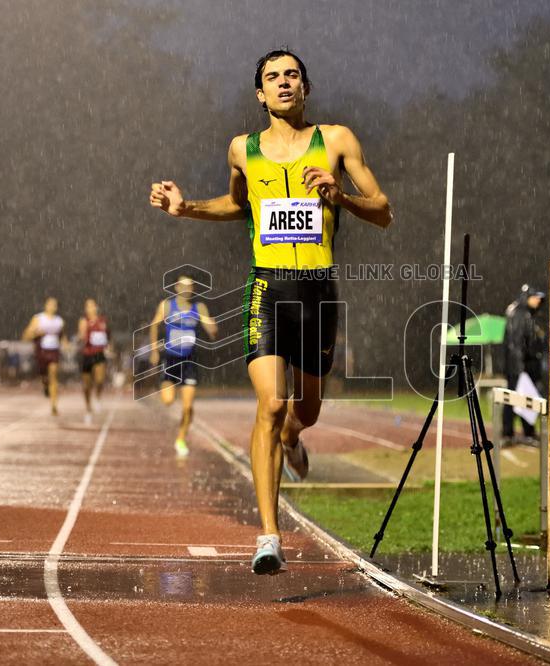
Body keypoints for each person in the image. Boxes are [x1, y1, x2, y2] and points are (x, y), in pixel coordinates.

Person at [149, 50, 392, 574]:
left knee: (304, 414)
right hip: (267, 289)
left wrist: (340, 196)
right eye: (272, 78)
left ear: (306, 86)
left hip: (317, 292)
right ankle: (268, 536)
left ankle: (293, 439)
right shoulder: (243, 149)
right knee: (270, 404)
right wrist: (186, 207)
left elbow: (384, 211)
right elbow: (238, 205)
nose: (283, 83)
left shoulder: (339, 140)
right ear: (259, 94)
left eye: (292, 75)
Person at [148, 276, 218, 456]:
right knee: (168, 401)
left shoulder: (198, 307)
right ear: (177, 287)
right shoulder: (167, 305)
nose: (187, 289)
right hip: (170, 359)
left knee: (187, 406)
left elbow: (211, 329)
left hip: (189, 361)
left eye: (190, 286)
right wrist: (155, 350)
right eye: (183, 285)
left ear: (193, 288)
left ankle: (181, 438)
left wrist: (212, 328)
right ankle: (177, 396)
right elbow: (154, 326)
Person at [502, 284, 547, 443]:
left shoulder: (524, 313)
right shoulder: (520, 314)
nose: (538, 301)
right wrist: (520, 369)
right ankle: (513, 434)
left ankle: (517, 433)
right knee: (516, 399)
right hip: (520, 366)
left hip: (521, 365)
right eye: (535, 297)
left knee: (520, 398)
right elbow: (516, 344)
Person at [22, 297, 65, 416]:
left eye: (55, 305)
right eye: (50, 304)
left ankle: (54, 406)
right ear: (46, 306)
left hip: (54, 352)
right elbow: (25, 336)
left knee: (54, 375)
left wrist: (66, 345)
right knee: (45, 377)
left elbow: (62, 337)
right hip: (41, 352)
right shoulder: (38, 319)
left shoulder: (59, 321)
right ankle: (45, 386)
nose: (52, 307)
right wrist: (36, 332)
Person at [78, 298, 109, 424]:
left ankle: (97, 397)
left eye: (92, 306)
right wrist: (83, 334)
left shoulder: (102, 321)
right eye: (88, 306)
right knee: (86, 386)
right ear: (85, 309)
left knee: (100, 380)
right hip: (87, 355)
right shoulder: (83, 321)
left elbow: (106, 336)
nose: (90, 309)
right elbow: (81, 336)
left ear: (96, 307)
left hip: (99, 354)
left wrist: (108, 346)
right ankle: (88, 409)